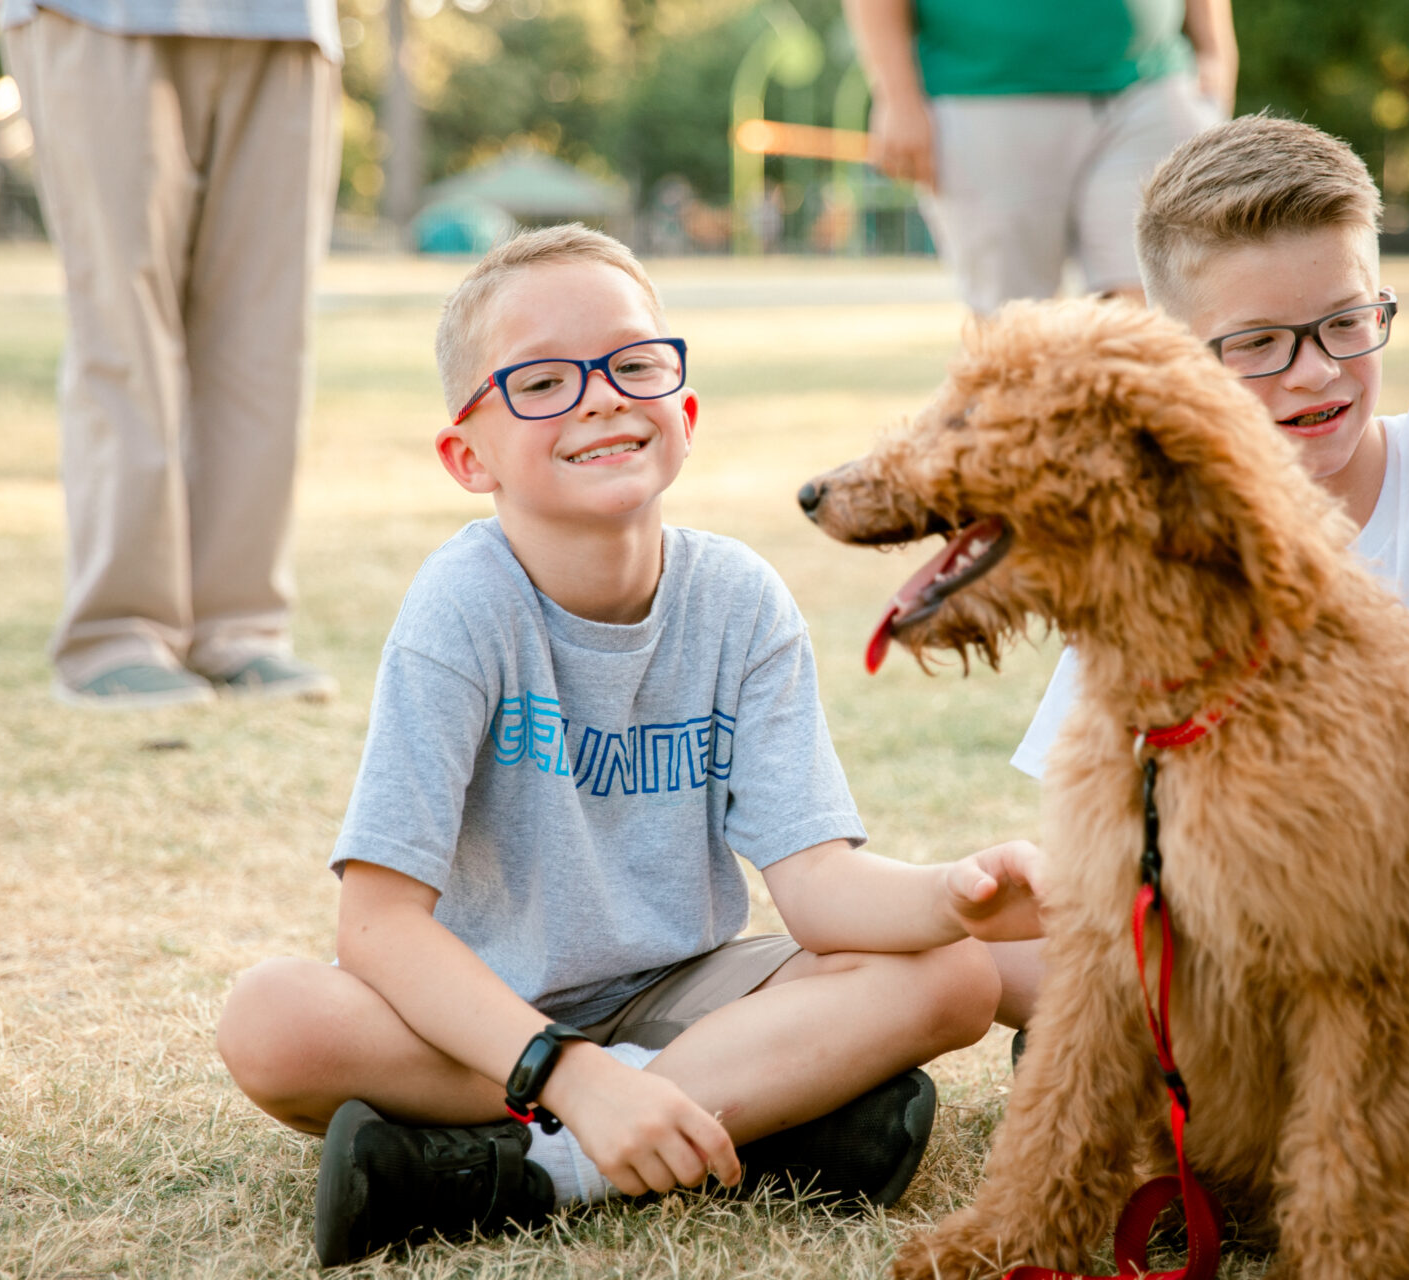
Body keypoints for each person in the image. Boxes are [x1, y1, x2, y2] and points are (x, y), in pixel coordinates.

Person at [213, 225, 1042, 1266]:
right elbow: (378, 927)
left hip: (685, 989)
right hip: (477, 1025)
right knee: (272, 1019)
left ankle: (546, 1169)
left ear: (683, 412)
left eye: (634, 364)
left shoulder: (738, 599)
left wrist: (950, 894)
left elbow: (820, 886)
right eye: (544, 380)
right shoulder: (462, 607)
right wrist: (566, 1070)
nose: (602, 395)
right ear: (468, 455)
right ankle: (756, 1117)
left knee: (956, 975)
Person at [996, 115, 1409, 1031]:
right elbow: (1099, 867)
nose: (1315, 374)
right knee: (1004, 958)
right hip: (1309, 1001)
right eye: (1259, 345)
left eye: (1348, 323)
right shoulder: (1152, 569)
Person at [0, 0, 342, 708]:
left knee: (267, 340)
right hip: (100, 16)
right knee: (124, 327)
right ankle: (117, 632)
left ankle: (240, 626)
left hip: (288, 23)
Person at [843, 0, 1235, 314]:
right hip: (983, 92)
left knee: (1157, 312)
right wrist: (896, 96)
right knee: (1013, 323)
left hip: (1150, 84)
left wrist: (1217, 51)